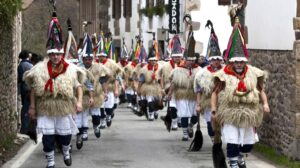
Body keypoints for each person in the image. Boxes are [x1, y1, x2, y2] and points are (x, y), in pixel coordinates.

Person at [24, 10, 85, 168]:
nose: (56, 57)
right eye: (53, 54)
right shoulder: (39, 69)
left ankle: (66, 151)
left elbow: (78, 87)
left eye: (58, 54)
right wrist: (32, 106)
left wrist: (78, 102)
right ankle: (50, 162)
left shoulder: (71, 69)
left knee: (65, 136)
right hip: (46, 106)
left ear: (61, 54)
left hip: (64, 106)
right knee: (48, 137)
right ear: (49, 55)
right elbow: (33, 89)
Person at [211, 16, 270, 168]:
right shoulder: (223, 75)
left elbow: (261, 90)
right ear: (232, 61)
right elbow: (215, 93)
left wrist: (265, 104)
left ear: (245, 61)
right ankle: (233, 164)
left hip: (249, 113)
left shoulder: (252, 73)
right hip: (230, 112)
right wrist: (213, 110)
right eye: (236, 61)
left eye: (241, 61)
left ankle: (241, 157)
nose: (239, 64)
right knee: (232, 141)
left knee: (247, 145)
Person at [166, 28, 201, 140]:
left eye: (192, 60)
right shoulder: (178, 70)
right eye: (188, 60)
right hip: (181, 95)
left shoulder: (199, 70)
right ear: (184, 59)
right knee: (184, 114)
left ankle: (191, 125)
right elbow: (173, 83)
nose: (190, 62)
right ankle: (185, 134)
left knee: (195, 115)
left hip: (194, 95)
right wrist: (169, 94)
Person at [194, 20, 224, 142]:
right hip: (207, 102)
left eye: (218, 59)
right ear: (209, 60)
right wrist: (198, 104)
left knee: (222, 123)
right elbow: (198, 90)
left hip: (222, 102)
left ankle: (219, 137)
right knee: (210, 124)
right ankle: (213, 137)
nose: (216, 62)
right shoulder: (202, 73)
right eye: (213, 59)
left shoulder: (226, 71)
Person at [159, 34, 184, 130]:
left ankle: (178, 119)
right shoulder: (165, 66)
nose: (177, 58)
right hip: (170, 89)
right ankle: (174, 122)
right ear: (172, 57)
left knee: (181, 109)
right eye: (175, 57)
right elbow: (160, 77)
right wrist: (162, 89)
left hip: (182, 90)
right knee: (173, 107)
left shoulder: (185, 66)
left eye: (179, 57)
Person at [138, 43, 162, 121]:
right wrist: (138, 89)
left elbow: (161, 79)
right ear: (149, 61)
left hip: (157, 87)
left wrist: (162, 88)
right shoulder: (144, 69)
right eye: (152, 60)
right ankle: (151, 114)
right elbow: (141, 80)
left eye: (155, 60)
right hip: (148, 87)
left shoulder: (159, 68)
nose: (154, 62)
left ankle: (154, 111)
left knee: (157, 101)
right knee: (150, 100)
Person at [18, 50, 33, 134]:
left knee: (25, 108)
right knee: (28, 108)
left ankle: (25, 128)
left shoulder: (20, 65)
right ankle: (27, 128)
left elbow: (20, 78)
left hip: (24, 88)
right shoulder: (31, 65)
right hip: (30, 89)